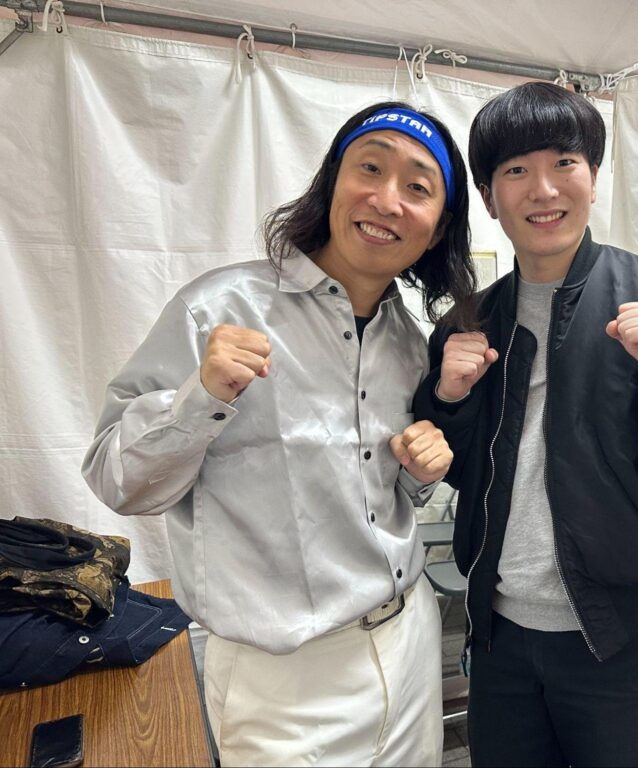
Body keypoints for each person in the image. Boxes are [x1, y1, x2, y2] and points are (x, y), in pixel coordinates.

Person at [82, 101, 478, 767]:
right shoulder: (217, 310)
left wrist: (419, 471)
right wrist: (201, 397)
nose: (387, 200)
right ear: (332, 183)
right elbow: (116, 482)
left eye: (417, 187)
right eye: (370, 168)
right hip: (284, 684)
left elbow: (380, 495)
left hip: (409, 645)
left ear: (436, 230)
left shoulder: (410, 343)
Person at [412, 82, 638, 767]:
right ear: (489, 197)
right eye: (516, 171)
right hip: (497, 636)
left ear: (594, 176)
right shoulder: (469, 323)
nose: (543, 189)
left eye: (564, 163)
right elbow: (455, 468)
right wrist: (447, 399)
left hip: (620, 639)